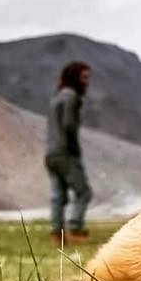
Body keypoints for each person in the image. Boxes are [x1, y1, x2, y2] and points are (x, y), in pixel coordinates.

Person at [45, 61, 93, 245]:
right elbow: (69, 125)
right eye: (84, 77)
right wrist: (74, 148)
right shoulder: (71, 97)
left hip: (50, 153)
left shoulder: (56, 98)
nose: (87, 82)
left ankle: (57, 234)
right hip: (65, 152)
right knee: (83, 192)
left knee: (58, 195)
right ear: (75, 77)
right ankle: (76, 229)